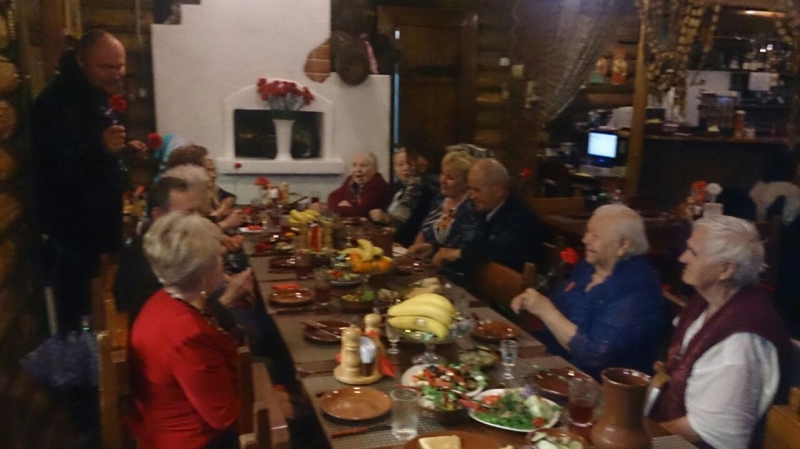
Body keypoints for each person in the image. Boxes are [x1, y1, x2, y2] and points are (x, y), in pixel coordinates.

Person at [31, 29, 146, 332]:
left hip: (99, 228)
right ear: (82, 61)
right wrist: (100, 148)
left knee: (101, 304)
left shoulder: (95, 92)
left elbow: (95, 152)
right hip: (73, 235)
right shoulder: (56, 102)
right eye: (106, 67)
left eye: (119, 65)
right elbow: (51, 169)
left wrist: (123, 150)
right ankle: (87, 358)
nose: (116, 74)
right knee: (80, 312)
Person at [651, 215, 792, 449]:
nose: (682, 258)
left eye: (693, 252)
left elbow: (710, 433)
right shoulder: (707, 302)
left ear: (726, 269)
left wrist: (638, 436)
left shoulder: (740, 343)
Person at [511, 205, 665, 379]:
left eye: (595, 236)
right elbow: (560, 303)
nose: (585, 240)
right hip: (558, 366)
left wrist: (547, 311)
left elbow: (595, 355)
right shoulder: (588, 267)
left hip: (601, 387)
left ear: (623, 245)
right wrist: (531, 303)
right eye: (587, 232)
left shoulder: (637, 291)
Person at [130, 212, 241, 448]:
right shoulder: (188, 335)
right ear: (202, 275)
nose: (222, 262)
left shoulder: (163, 298)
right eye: (218, 257)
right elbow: (224, 417)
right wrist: (267, 396)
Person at [433, 158, 543, 283]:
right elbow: (472, 243)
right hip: (484, 282)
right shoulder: (487, 208)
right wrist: (435, 248)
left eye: (476, 190)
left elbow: (498, 248)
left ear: (498, 191)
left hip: (506, 289)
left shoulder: (519, 215)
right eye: (470, 189)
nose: (471, 196)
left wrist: (459, 253)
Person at [407, 150, 478, 259]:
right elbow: (424, 231)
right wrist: (413, 255)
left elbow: (458, 248)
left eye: (450, 178)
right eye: (442, 174)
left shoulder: (470, 207)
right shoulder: (440, 198)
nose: (442, 180)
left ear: (466, 183)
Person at [368, 147, 432, 247]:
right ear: (395, 169)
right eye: (400, 165)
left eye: (409, 163)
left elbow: (414, 226)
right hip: (388, 239)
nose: (405, 168)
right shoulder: (395, 188)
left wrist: (387, 219)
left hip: (407, 244)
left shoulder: (422, 190)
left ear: (417, 166)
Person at [165, 145, 238, 223]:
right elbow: (190, 229)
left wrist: (222, 209)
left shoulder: (206, 190)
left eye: (213, 170)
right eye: (207, 170)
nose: (213, 175)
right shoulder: (180, 197)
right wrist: (226, 224)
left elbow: (229, 196)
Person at [324, 152, 389, 217]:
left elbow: (361, 212)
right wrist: (343, 206)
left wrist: (339, 208)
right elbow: (332, 197)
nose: (358, 170)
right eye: (354, 165)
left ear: (374, 169)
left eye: (363, 166)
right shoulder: (350, 180)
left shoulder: (378, 185)